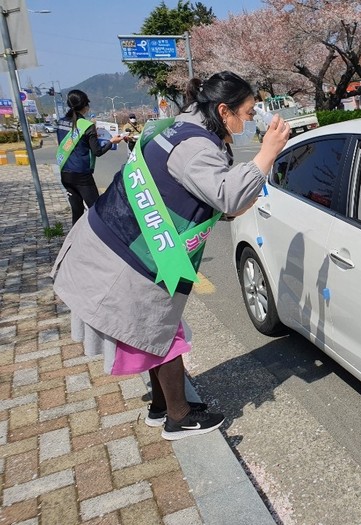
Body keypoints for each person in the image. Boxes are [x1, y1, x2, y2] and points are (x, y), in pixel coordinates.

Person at [51, 71, 291, 440]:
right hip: (127, 254)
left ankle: (161, 406)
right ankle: (178, 418)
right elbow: (228, 196)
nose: (247, 123)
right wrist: (268, 152)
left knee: (154, 331)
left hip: (114, 238)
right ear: (223, 110)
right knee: (161, 333)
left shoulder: (176, 127)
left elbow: (200, 193)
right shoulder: (196, 147)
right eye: (245, 114)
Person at [56, 90, 124, 225]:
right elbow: (97, 151)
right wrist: (111, 142)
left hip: (65, 172)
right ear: (85, 106)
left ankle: (75, 237)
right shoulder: (87, 126)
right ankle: (100, 235)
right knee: (96, 209)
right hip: (82, 175)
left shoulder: (61, 122)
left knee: (77, 211)